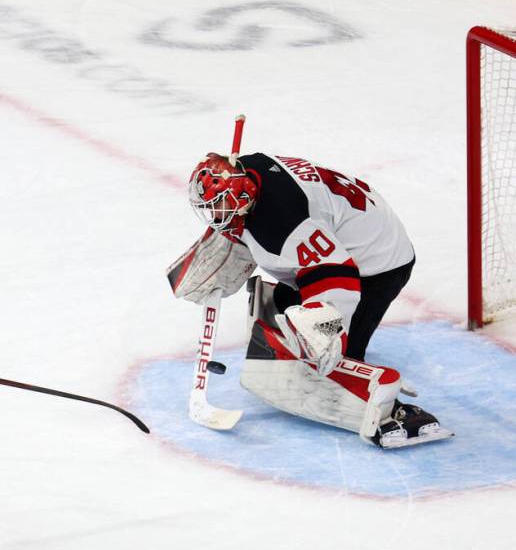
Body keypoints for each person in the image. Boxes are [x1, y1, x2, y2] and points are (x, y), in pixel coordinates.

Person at [173, 151, 452, 449]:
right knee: (283, 320)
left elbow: (338, 279)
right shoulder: (246, 168)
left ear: (243, 198)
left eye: (221, 206)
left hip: (377, 266)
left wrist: (327, 330)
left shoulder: (285, 222)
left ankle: (393, 414)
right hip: (348, 231)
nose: (216, 215)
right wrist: (229, 240)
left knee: (326, 361)